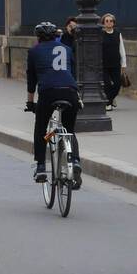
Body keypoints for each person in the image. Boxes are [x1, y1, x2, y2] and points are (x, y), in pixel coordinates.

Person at [26, 21, 81, 187]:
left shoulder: (34, 51)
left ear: (38, 37)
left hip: (48, 92)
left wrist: (30, 103)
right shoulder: (67, 49)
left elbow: (32, 80)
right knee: (69, 130)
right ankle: (76, 161)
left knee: (41, 128)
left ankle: (41, 166)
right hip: (70, 91)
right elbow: (73, 73)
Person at [100, 13, 130, 110]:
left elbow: (122, 49)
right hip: (104, 64)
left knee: (117, 84)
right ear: (103, 23)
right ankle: (108, 103)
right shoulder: (100, 34)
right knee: (107, 84)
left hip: (115, 63)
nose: (109, 23)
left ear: (113, 23)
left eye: (111, 21)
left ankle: (110, 98)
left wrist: (124, 64)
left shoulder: (117, 34)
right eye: (107, 21)